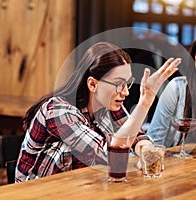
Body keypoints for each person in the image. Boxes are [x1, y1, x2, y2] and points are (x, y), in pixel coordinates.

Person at [15, 42, 181, 182]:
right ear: (93, 84)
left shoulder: (108, 105)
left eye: (127, 83)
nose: (125, 92)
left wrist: (145, 150)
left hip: (79, 188)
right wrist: (145, 101)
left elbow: (135, 135)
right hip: (37, 192)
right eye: (118, 83)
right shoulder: (58, 111)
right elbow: (109, 154)